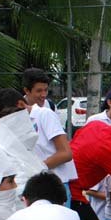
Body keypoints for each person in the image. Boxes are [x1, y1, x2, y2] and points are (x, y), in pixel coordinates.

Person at [22, 68, 77, 201]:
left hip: (55, 182)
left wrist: (37, 169)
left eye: (46, 90)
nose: (43, 95)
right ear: (27, 90)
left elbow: (65, 152)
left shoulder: (48, 109)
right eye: (39, 91)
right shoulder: (17, 110)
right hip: (32, 184)